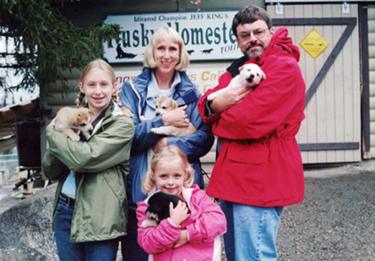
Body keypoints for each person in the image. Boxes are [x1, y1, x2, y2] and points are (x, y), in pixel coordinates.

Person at [197, 5, 306, 261]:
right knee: (237, 255)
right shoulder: (241, 66)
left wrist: (216, 116)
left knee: (254, 255)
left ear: (270, 32)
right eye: (244, 35)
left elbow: (248, 121)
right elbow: (203, 104)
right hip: (235, 176)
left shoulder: (284, 68)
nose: (252, 39)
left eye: (258, 31)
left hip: (261, 178)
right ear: (237, 40)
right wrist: (214, 106)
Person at [119, 26, 214, 260]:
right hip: (142, 186)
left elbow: (203, 139)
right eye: (161, 48)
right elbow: (126, 137)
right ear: (152, 51)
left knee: (180, 253)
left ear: (180, 53)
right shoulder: (131, 90)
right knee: (141, 251)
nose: (167, 55)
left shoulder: (191, 93)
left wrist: (168, 146)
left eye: (173, 48)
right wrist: (163, 121)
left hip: (179, 189)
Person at [42, 59, 134, 261]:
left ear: (114, 86)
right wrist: (61, 137)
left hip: (101, 215)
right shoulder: (74, 117)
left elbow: (84, 159)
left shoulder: (122, 123)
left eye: (104, 84)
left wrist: (53, 132)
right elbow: (51, 171)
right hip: (65, 209)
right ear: (82, 86)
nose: (98, 91)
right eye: (92, 85)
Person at [137, 145, 226, 261]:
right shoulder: (147, 206)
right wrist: (172, 224)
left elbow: (218, 221)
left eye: (177, 176)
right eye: (163, 176)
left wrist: (187, 234)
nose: (170, 182)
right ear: (153, 176)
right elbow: (148, 243)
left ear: (185, 175)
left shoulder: (197, 197)